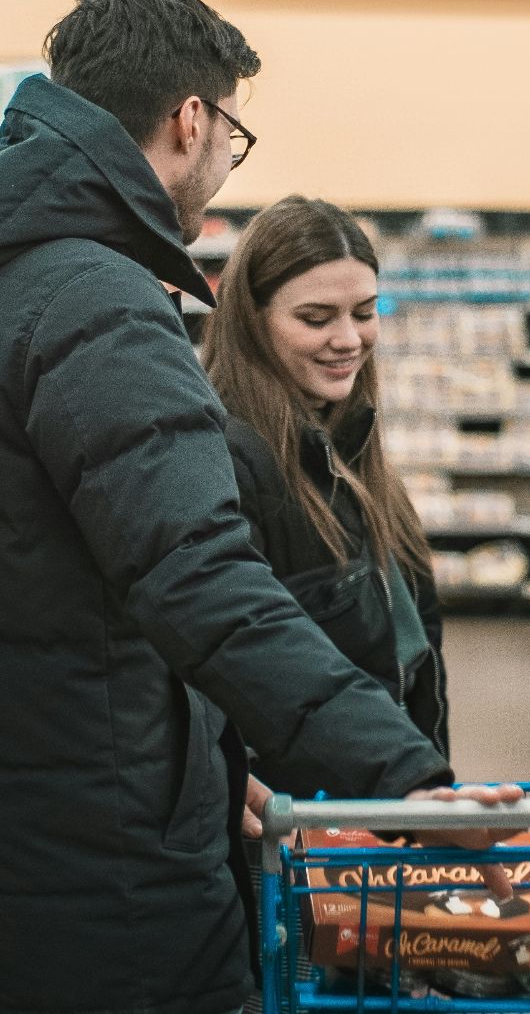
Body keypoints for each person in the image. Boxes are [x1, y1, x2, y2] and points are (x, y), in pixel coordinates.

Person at [0, 0, 516, 1014]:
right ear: (193, 119)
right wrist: (410, 784)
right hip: (109, 866)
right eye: (233, 134)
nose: (226, 162)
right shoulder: (100, 302)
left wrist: (218, 770)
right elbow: (201, 580)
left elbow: (56, 585)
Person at [202, 195, 449, 787]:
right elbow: (249, 663)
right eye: (316, 318)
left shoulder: (353, 443)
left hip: (376, 800)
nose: (348, 340)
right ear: (253, 321)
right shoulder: (229, 461)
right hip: (305, 820)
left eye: (365, 312)